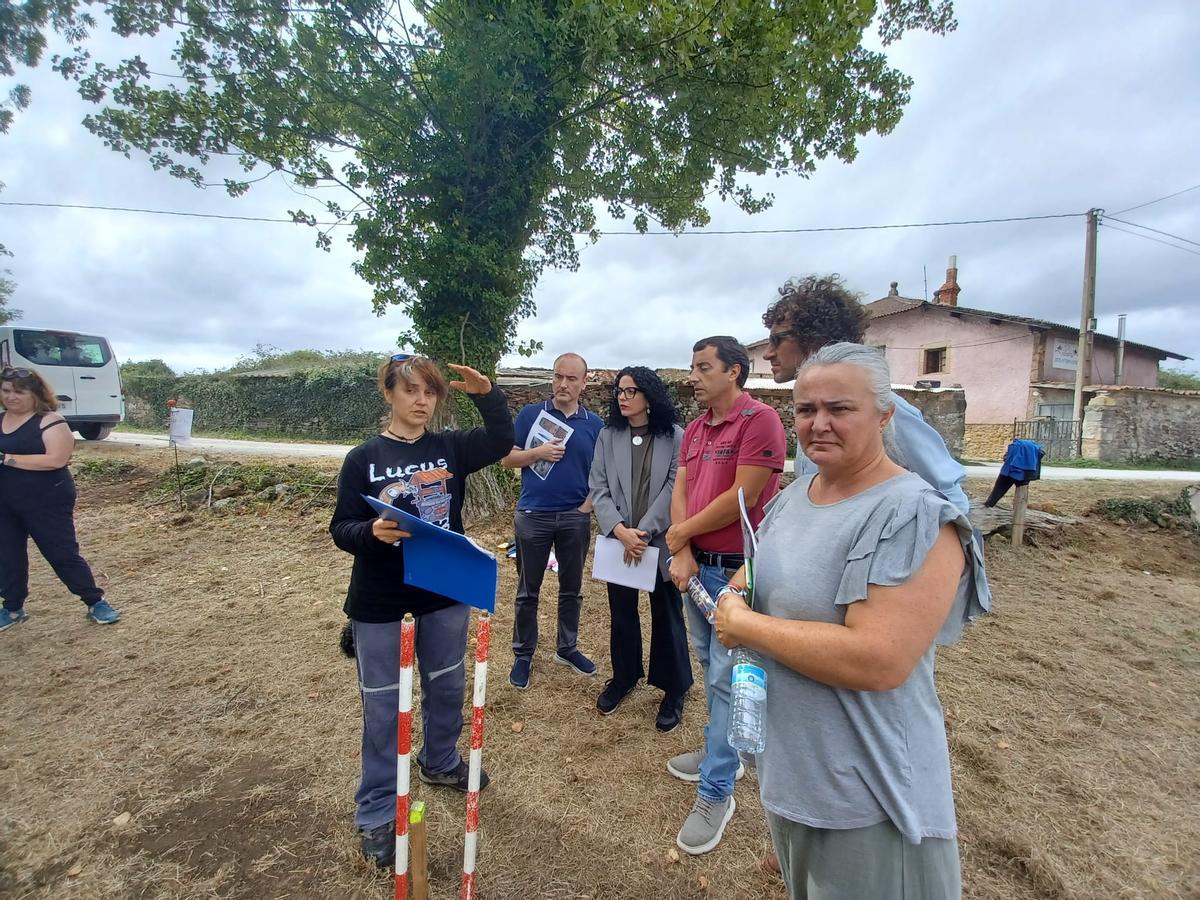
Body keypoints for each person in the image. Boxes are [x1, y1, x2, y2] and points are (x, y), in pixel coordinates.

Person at [714, 343, 989, 900]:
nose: (818, 424)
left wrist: (747, 627)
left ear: (885, 415)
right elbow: (761, 567)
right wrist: (742, 588)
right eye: (806, 409)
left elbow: (878, 658)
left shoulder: (913, 514)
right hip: (796, 776)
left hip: (871, 797)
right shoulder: (795, 496)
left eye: (839, 409)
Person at [329, 354, 514, 868]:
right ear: (388, 393)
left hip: (443, 588)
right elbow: (341, 527)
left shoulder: (449, 447)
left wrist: (487, 394)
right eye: (410, 390)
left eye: (429, 392)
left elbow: (502, 440)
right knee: (384, 704)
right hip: (380, 597)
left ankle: (439, 760)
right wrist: (371, 533)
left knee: (447, 683)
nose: (421, 401)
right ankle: (376, 810)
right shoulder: (362, 458)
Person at [664, 336, 787, 855]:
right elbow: (682, 488)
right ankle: (727, 752)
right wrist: (683, 545)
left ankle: (718, 790)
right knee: (710, 664)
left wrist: (679, 534)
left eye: (703, 367)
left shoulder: (760, 421)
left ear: (735, 371)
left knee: (725, 679)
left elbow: (746, 495)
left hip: (738, 572)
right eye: (693, 367)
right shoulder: (694, 428)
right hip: (698, 569)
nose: (693, 376)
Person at [762, 274, 970, 514]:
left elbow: (951, 498)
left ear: (812, 338)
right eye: (806, 410)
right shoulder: (813, 417)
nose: (768, 353)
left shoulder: (885, 409)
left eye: (777, 340)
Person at [588, 366, 692, 732]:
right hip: (620, 542)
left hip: (659, 541)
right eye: (620, 390)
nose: (623, 397)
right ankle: (624, 677)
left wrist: (642, 532)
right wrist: (619, 530)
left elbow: (674, 487)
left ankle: (674, 687)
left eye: (631, 391)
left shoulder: (675, 436)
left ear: (649, 396)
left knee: (667, 615)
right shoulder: (607, 436)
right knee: (622, 613)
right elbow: (598, 487)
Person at [503, 352, 604, 690]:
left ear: (583, 383)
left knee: (571, 589)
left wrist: (588, 506)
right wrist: (538, 454)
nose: (563, 384)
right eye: (558, 376)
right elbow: (507, 459)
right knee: (527, 591)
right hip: (533, 516)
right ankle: (523, 654)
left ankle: (567, 648)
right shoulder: (532, 415)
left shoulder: (595, 424)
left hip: (575, 518)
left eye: (571, 378)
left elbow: (602, 473)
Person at [0, 367, 119, 631]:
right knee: (7, 556)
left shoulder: (50, 421)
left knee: (61, 553)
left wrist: (6, 459)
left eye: (19, 392)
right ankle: (12, 607)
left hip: (47, 500)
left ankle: (95, 601)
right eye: (6, 390)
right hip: (5, 502)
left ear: (35, 394)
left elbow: (56, 459)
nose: (11, 397)